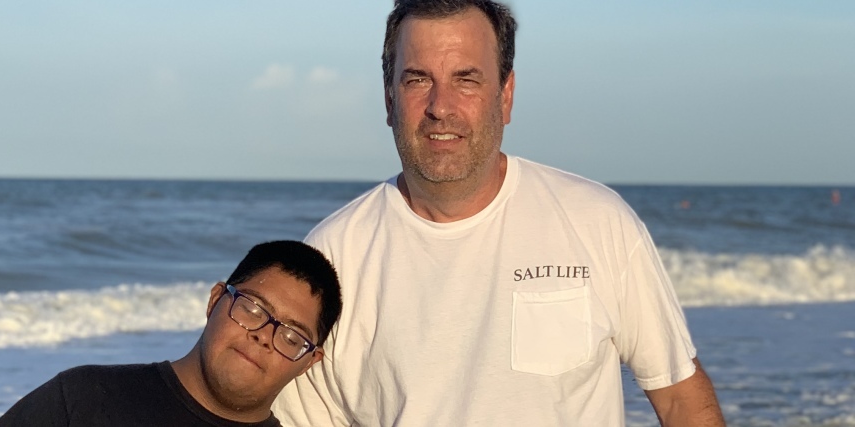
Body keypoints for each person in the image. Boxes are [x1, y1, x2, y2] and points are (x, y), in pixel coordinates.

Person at [272, 1, 725, 426]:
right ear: (390, 100)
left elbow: (680, 399)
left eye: (466, 79)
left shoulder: (597, 221)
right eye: (417, 80)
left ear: (505, 96)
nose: (441, 107)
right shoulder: (332, 257)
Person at [0, 240, 342, 427]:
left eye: (292, 337)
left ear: (308, 363)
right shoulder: (84, 398)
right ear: (216, 300)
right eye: (253, 309)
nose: (264, 336)